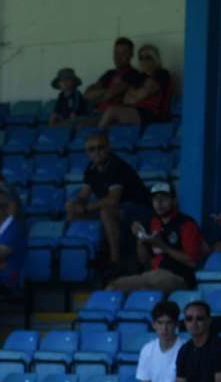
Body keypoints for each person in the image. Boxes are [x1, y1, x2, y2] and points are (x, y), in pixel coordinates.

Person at [66, 132, 152, 271]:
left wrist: (86, 207)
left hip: (138, 209)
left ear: (108, 148)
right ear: (86, 152)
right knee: (73, 214)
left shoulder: (116, 165)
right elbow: (84, 194)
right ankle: (80, 258)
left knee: (106, 212)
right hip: (120, 209)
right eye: (92, 149)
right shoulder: (91, 168)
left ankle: (115, 260)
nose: (97, 152)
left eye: (101, 147)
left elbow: (113, 199)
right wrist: (75, 204)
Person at [107, 182, 206, 293]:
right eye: (155, 199)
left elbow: (192, 262)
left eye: (164, 198)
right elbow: (144, 261)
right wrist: (140, 238)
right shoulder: (154, 222)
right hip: (152, 274)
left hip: (178, 277)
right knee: (113, 286)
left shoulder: (186, 224)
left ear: (174, 200)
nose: (159, 203)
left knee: (144, 292)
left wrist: (163, 246)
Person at [106, 301, 185, 382]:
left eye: (169, 323)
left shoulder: (185, 349)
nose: (164, 328)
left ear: (176, 324)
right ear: (154, 324)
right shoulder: (147, 349)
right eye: (160, 323)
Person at [97, 44, 173, 127]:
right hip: (135, 111)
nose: (144, 60)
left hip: (153, 114)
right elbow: (127, 99)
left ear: (155, 59)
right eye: (141, 58)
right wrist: (138, 94)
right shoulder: (140, 77)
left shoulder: (162, 73)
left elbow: (144, 93)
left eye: (148, 57)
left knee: (112, 111)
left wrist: (136, 95)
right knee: (94, 119)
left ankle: (98, 134)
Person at [83, 37, 144, 119]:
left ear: (131, 55)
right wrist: (106, 92)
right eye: (116, 53)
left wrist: (99, 95)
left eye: (123, 53)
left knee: (78, 126)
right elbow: (87, 94)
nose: (118, 57)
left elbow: (112, 93)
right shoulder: (109, 73)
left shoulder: (134, 74)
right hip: (96, 114)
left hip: (113, 118)